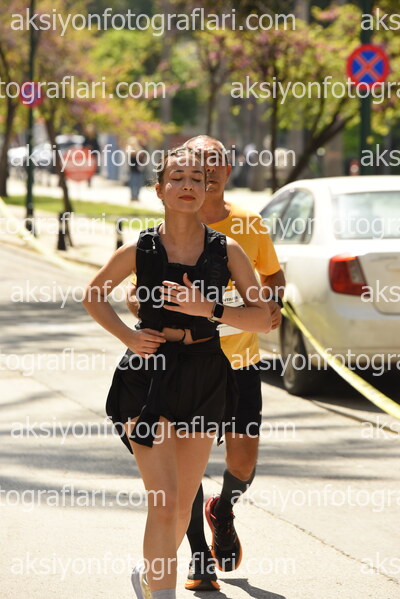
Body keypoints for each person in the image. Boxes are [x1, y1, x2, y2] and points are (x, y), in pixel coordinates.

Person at [83, 146, 272, 599]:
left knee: (182, 504)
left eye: (197, 179)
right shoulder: (140, 248)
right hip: (148, 378)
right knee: (165, 502)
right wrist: (128, 338)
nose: (188, 185)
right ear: (160, 189)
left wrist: (209, 308)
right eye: (177, 177)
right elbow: (94, 294)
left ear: (207, 189)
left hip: (205, 375)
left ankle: (150, 577)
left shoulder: (227, 250)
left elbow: (263, 317)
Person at [182, 135, 286, 590]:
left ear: (227, 170)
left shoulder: (248, 223)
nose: (208, 169)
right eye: (199, 161)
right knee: (185, 464)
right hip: (186, 364)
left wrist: (271, 303)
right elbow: (136, 287)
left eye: (216, 161)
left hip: (241, 362)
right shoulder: (175, 222)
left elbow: (273, 276)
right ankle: (198, 557)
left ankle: (222, 511)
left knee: (243, 464)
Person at [126, 136, 145, 201]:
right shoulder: (129, 149)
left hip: (139, 169)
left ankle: (136, 196)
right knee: (133, 184)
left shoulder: (139, 148)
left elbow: (142, 156)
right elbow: (131, 154)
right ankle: (133, 196)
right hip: (133, 170)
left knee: (139, 184)